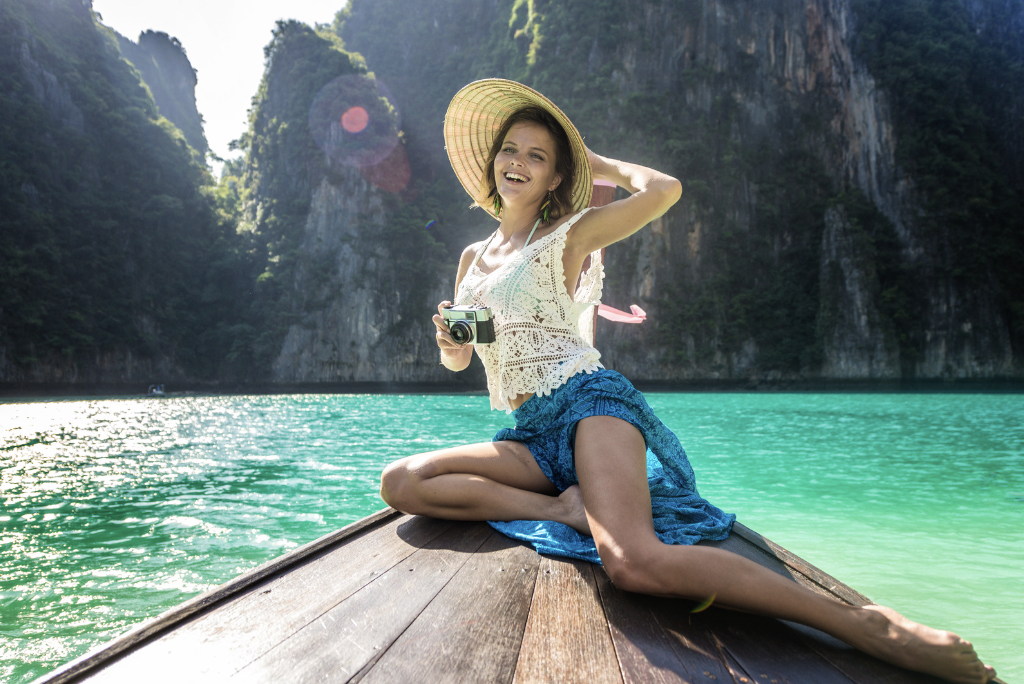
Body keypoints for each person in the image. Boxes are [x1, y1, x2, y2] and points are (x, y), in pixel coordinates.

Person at [380, 79, 995, 684]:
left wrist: (599, 163)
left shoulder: (569, 234)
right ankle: (564, 507)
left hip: (589, 407)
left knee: (633, 564)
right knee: (403, 482)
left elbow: (665, 190)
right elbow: (462, 363)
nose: (518, 162)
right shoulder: (472, 258)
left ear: (554, 177)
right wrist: (451, 347)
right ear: (493, 161)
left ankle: (862, 625)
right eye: (511, 149)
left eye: (537, 156)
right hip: (530, 433)